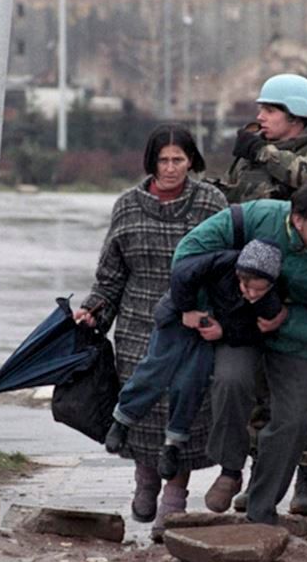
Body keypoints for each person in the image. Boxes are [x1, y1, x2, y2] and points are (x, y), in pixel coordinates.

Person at [172, 181, 307, 526]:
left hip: (296, 340)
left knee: (292, 420)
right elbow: (188, 255)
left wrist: (288, 320)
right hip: (237, 325)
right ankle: (230, 468)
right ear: (296, 219)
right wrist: (203, 309)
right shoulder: (253, 218)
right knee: (231, 381)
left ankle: (262, 508)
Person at [73, 123, 227, 539]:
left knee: (188, 411)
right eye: (164, 159)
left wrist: (215, 317)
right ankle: (145, 481)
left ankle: (173, 504)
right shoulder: (127, 206)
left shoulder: (212, 203)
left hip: (193, 324)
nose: (172, 167)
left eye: (179, 159)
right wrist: (92, 311)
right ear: (151, 162)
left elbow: (225, 269)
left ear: (192, 160)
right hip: (140, 325)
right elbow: (111, 275)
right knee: (141, 409)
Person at [216, 73, 307, 516]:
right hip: (252, 282)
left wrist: (260, 151)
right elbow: (233, 201)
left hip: (300, 281)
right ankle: (262, 472)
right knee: (256, 384)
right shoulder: (252, 153)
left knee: (296, 387)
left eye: (269, 110)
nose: (260, 117)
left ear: (295, 116)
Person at [104, 239, 284, 481]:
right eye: (245, 286)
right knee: (155, 370)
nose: (250, 294)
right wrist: (187, 309)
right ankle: (123, 419)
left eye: (258, 290)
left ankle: (173, 444)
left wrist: (224, 332)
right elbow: (181, 274)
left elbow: (256, 331)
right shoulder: (222, 263)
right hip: (179, 317)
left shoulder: (269, 301)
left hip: (209, 333)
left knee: (190, 382)